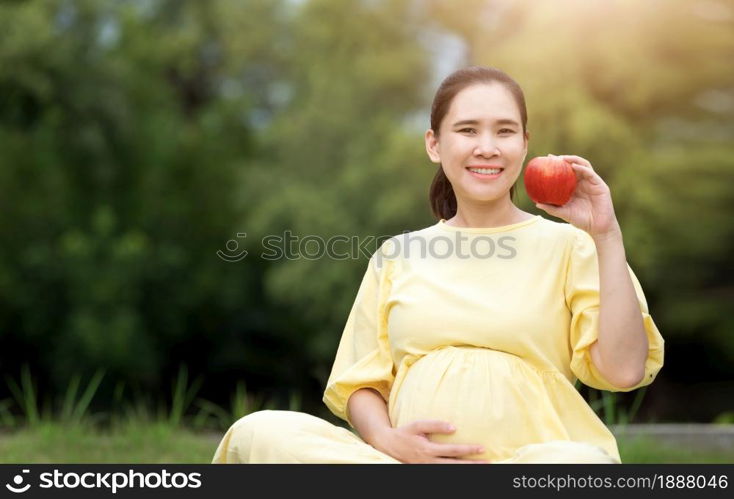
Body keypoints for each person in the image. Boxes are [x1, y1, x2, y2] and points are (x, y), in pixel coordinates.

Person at [211, 65, 664, 464]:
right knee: (261, 433)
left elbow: (623, 371)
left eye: (504, 131)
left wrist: (605, 233)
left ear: (525, 145)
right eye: (467, 130)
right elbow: (362, 384)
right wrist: (388, 440)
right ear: (434, 143)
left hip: (523, 466)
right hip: (405, 470)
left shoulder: (573, 245)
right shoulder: (397, 256)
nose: (487, 147)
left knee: (577, 465)